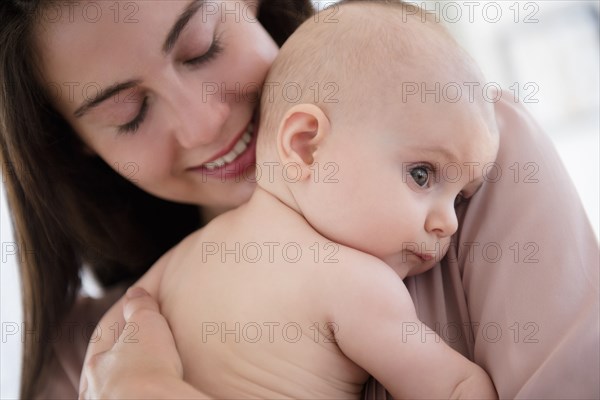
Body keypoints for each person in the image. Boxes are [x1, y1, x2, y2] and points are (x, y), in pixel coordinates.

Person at [0, 0, 596, 398]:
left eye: (203, 46)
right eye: (128, 114)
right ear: (75, 145)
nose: (205, 124)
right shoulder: (83, 359)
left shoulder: (465, 152)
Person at [82, 1, 501, 398]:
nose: (450, 222)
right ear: (305, 146)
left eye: (460, 196)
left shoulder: (179, 263)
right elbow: (456, 390)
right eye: (421, 175)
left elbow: (107, 355)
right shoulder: (357, 285)